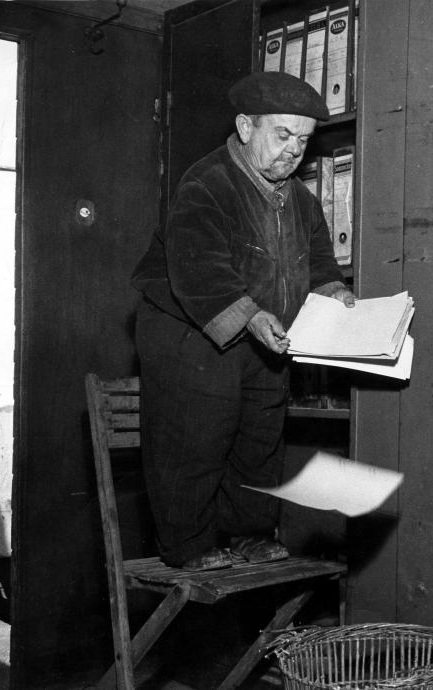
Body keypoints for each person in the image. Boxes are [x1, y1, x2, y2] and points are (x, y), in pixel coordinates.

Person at [131, 71, 355, 571]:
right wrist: (250, 317)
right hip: (190, 331)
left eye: (303, 140)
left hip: (264, 334)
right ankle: (188, 544)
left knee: (260, 435)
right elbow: (199, 270)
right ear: (246, 126)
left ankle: (250, 534)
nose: (294, 151)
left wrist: (335, 291)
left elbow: (320, 264)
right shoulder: (206, 183)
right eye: (283, 135)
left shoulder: (301, 200)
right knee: (197, 434)